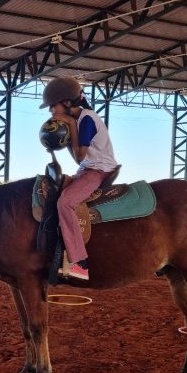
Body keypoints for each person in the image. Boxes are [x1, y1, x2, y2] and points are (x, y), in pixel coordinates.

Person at [41, 76, 119, 281]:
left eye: (52, 106)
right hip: (86, 169)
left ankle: (79, 262)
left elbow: (80, 156)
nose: (51, 112)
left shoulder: (87, 119)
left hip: (98, 171)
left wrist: (69, 126)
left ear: (66, 103)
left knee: (65, 203)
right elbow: (79, 158)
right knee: (49, 186)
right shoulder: (80, 119)